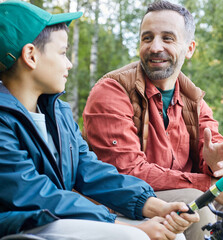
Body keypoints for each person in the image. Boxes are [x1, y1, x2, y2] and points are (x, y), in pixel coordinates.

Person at [83, 1, 223, 239]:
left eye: (167, 38)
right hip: (125, 200)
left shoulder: (194, 98)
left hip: (185, 193)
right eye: (147, 38)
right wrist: (209, 185)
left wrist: (218, 165)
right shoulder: (111, 91)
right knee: (193, 205)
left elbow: (221, 158)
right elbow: (126, 171)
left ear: (189, 48)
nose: (155, 47)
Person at [0, 1, 199, 239]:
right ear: (31, 56)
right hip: (18, 224)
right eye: (63, 53)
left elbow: (91, 171)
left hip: (53, 219)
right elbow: (32, 194)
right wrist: (119, 224)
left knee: (170, 233)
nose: (69, 63)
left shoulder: (59, 114)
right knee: (136, 236)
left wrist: (155, 205)